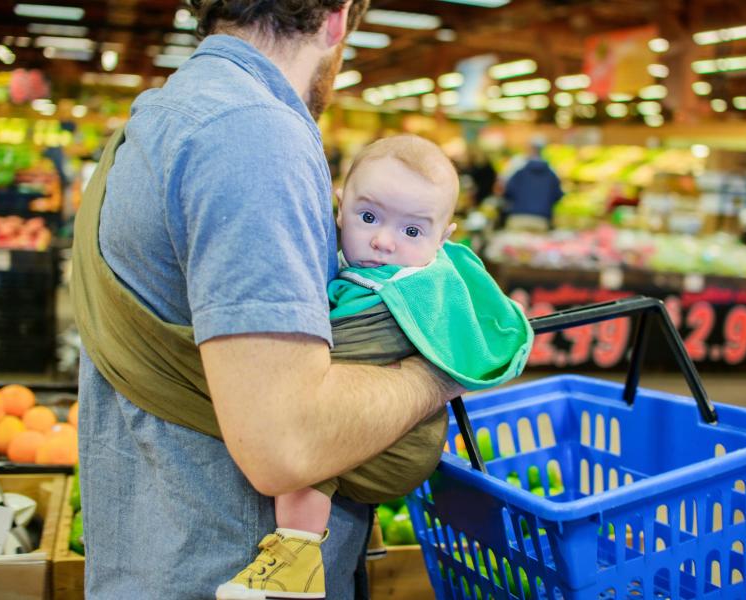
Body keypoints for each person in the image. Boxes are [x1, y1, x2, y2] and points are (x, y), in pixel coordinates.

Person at [69, 2, 465, 598]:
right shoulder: (252, 136)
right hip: (230, 564)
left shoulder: (174, 107)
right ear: (338, 18)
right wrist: (441, 373)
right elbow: (288, 443)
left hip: (165, 546)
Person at [217, 135, 532, 599]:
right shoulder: (366, 265)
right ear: (339, 209)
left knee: (304, 450)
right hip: (391, 438)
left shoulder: (414, 288)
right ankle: (346, 531)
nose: (383, 241)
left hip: (402, 445)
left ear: (443, 238)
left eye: (412, 232)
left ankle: (294, 566)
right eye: (368, 218)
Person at [503, 136, 564, 231]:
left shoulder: (519, 170)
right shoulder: (552, 173)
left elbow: (507, 191)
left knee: (515, 245)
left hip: (518, 217)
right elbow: (558, 195)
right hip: (542, 219)